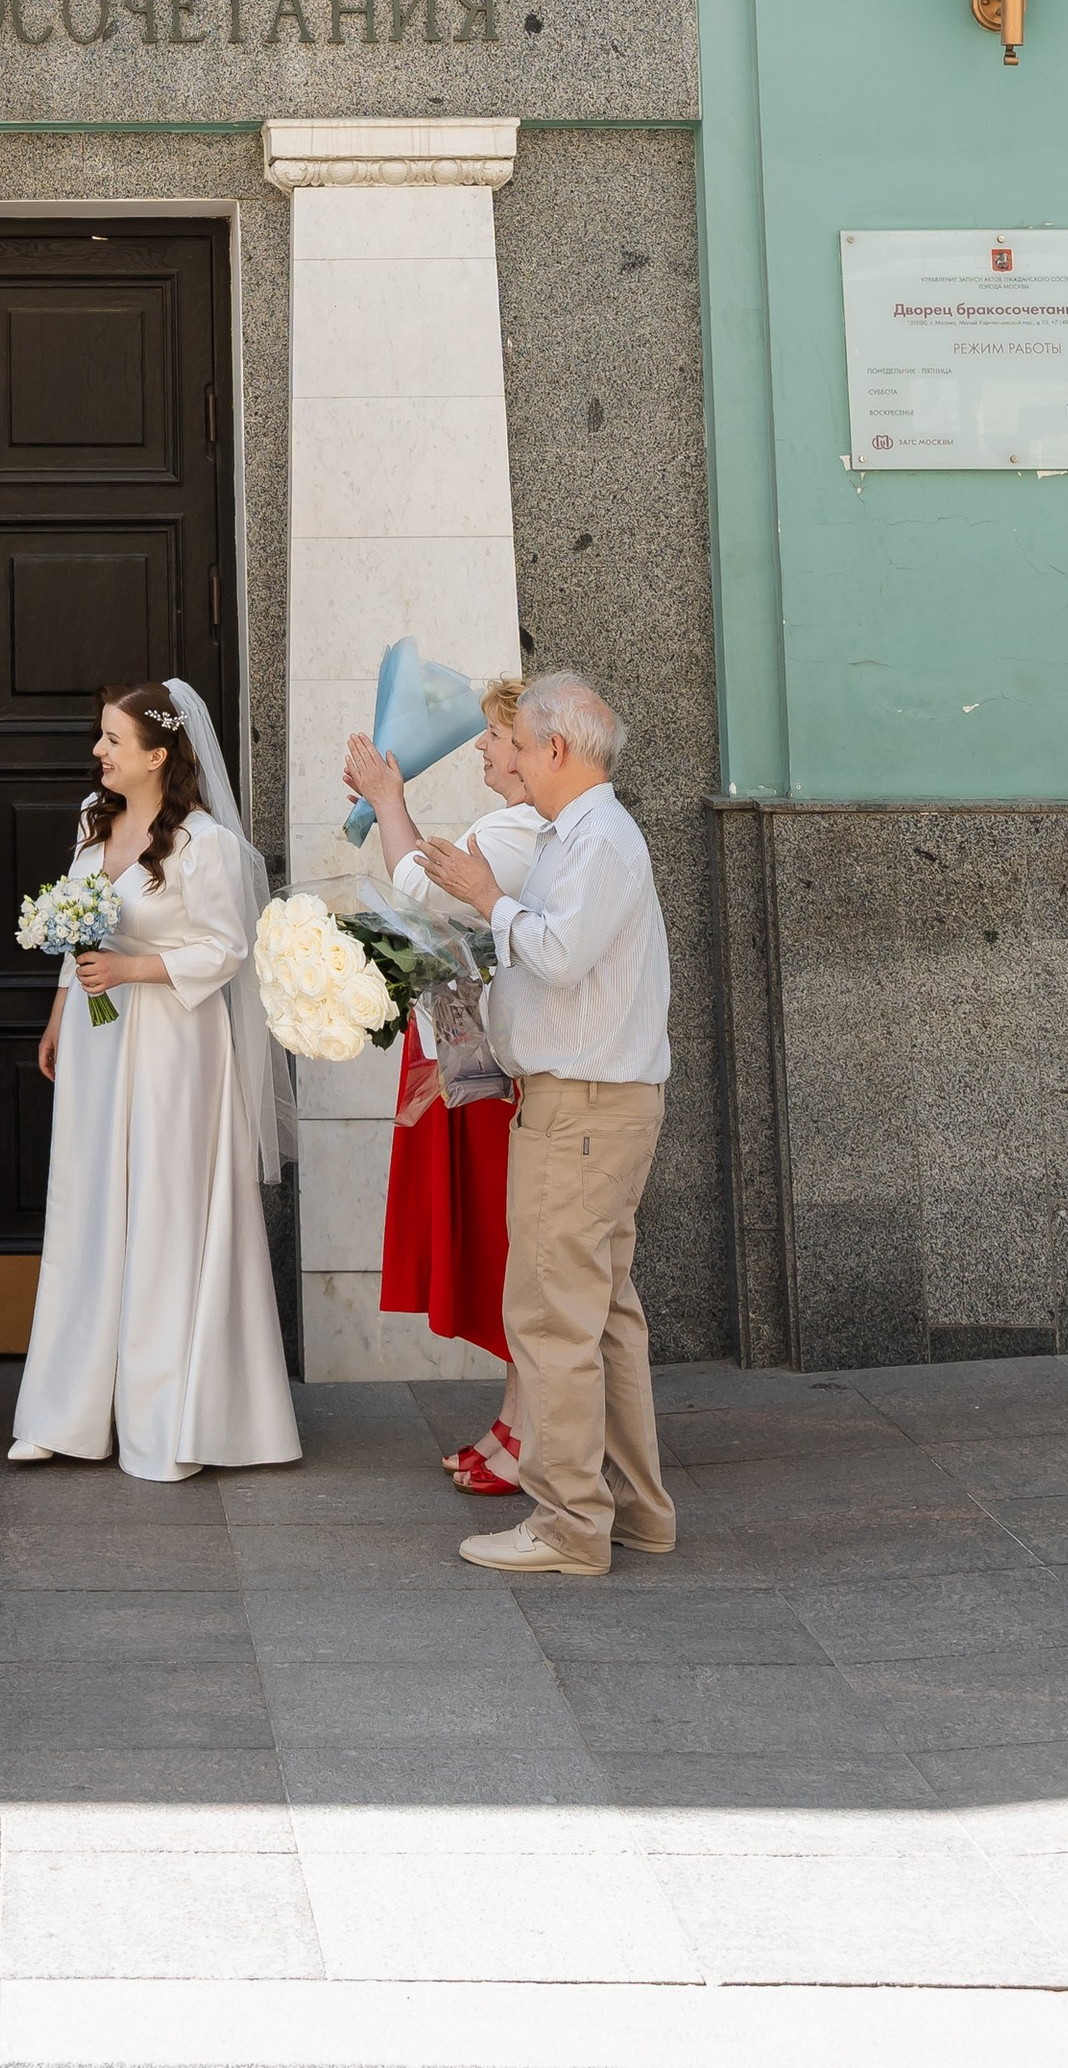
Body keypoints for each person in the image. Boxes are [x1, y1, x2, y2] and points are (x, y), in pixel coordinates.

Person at [414, 671, 675, 1581]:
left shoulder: (599, 838)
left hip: (584, 1111)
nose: (510, 758)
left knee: (552, 1318)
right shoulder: (585, 835)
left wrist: (489, 898)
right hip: (591, 1106)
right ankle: (635, 1511)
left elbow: (558, 955)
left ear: (557, 749)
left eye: (518, 744)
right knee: (600, 1318)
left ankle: (569, 1524)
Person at [9, 679, 300, 1486]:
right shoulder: (91, 822)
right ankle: (65, 1410)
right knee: (90, 1203)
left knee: (165, 1212)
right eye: (100, 738)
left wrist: (135, 968)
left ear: (159, 755)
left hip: (176, 1047)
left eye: (111, 740)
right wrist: (62, 1013)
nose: (98, 752)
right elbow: (76, 922)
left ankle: (165, 1416)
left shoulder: (206, 844)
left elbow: (227, 948)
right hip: (102, 1046)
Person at [343, 678, 544, 1496]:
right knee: (516, 1258)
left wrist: (389, 797)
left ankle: (533, 1432)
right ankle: (517, 1418)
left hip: (507, 1072)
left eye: (495, 737)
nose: (482, 749)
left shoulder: (519, 827)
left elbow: (425, 898)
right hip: (492, 1055)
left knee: (516, 1256)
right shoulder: (520, 824)